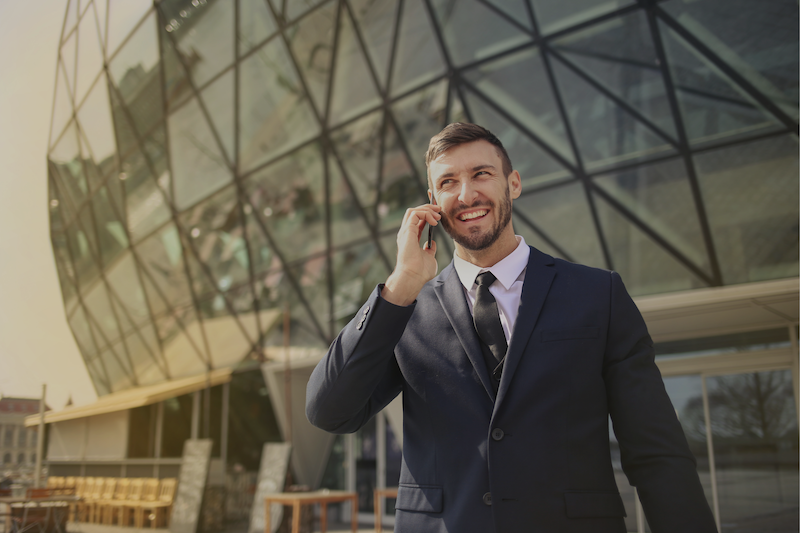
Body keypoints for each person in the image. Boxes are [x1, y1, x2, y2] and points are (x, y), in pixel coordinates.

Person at [306, 123, 717, 532]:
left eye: (480, 174)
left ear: (513, 183)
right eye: (449, 182)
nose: (466, 194)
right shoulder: (405, 311)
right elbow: (329, 412)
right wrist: (399, 286)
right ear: (433, 202)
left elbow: (656, 452)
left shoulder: (598, 294)